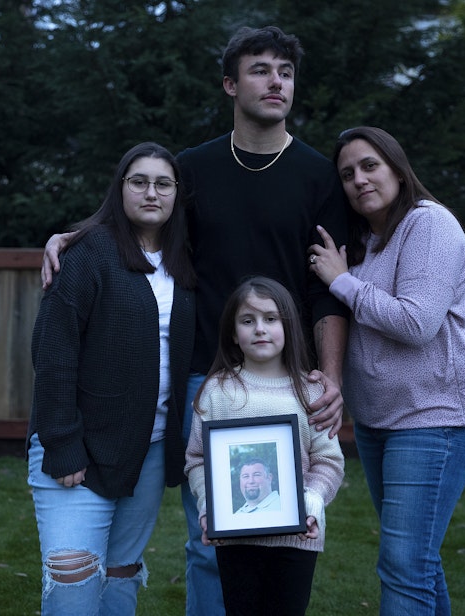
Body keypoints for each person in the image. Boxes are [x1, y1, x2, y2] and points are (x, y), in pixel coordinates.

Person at [41, 26, 350, 614]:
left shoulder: (318, 176)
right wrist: (73, 236)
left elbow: (326, 291)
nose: (275, 81)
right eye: (260, 70)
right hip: (203, 375)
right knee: (211, 537)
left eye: (285, 71)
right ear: (231, 84)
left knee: (289, 534)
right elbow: (141, 220)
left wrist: (330, 377)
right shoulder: (194, 169)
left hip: (290, 382)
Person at [307, 126, 465, 615]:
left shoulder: (429, 225)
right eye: (347, 173)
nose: (359, 180)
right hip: (380, 423)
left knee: (403, 563)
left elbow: (417, 322)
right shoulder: (365, 242)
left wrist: (342, 281)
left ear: (396, 167)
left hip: (439, 419)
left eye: (370, 165)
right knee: (415, 560)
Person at [26, 142, 196, 615]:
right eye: (138, 181)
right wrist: (62, 442)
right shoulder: (88, 254)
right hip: (79, 449)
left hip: (150, 450)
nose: (151, 192)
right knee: (74, 582)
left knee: (121, 573)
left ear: (176, 194)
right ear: (119, 188)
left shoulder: (185, 261)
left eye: (163, 184)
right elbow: (53, 353)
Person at [185, 276, 345, 616]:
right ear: (232, 333)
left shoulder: (312, 391)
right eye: (248, 321)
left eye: (270, 319)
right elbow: (198, 459)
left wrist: (312, 502)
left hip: (297, 539)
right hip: (235, 540)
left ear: (288, 327)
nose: (260, 329)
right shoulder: (217, 391)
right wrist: (208, 506)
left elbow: (329, 462)